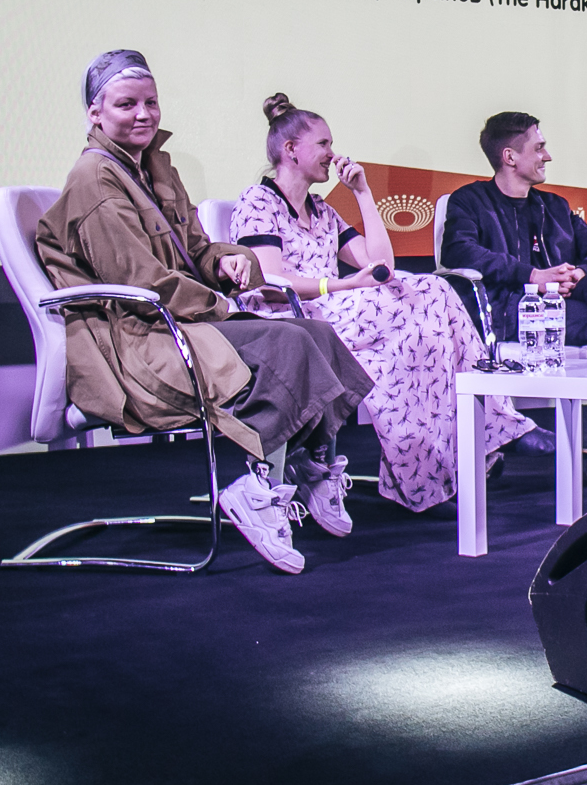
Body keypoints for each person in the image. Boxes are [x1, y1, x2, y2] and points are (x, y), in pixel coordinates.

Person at [35, 51, 374, 575]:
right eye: (127, 104)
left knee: (318, 333)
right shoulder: (94, 179)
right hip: (142, 336)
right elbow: (139, 281)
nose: (144, 114)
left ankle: (307, 462)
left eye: (151, 102)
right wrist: (218, 302)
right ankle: (254, 489)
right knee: (286, 341)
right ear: (95, 114)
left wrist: (226, 263)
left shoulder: (156, 168)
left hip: (183, 317)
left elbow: (195, 248)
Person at [231, 94, 542, 512]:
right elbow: (270, 282)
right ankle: (481, 438)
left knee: (430, 299)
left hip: (336, 310)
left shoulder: (321, 210)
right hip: (288, 318)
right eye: (323, 144)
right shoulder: (259, 201)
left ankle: (448, 460)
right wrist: (342, 285)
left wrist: (362, 193)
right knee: (415, 317)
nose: (332, 154)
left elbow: (382, 266)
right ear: (291, 150)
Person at [440, 111, 587, 488]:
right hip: (504, 315)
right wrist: (533, 277)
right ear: (510, 157)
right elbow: (459, 252)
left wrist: (579, 272)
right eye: (539, 148)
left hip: (558, 315)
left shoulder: (555, 207)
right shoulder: (469, 201)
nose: (547, 156)